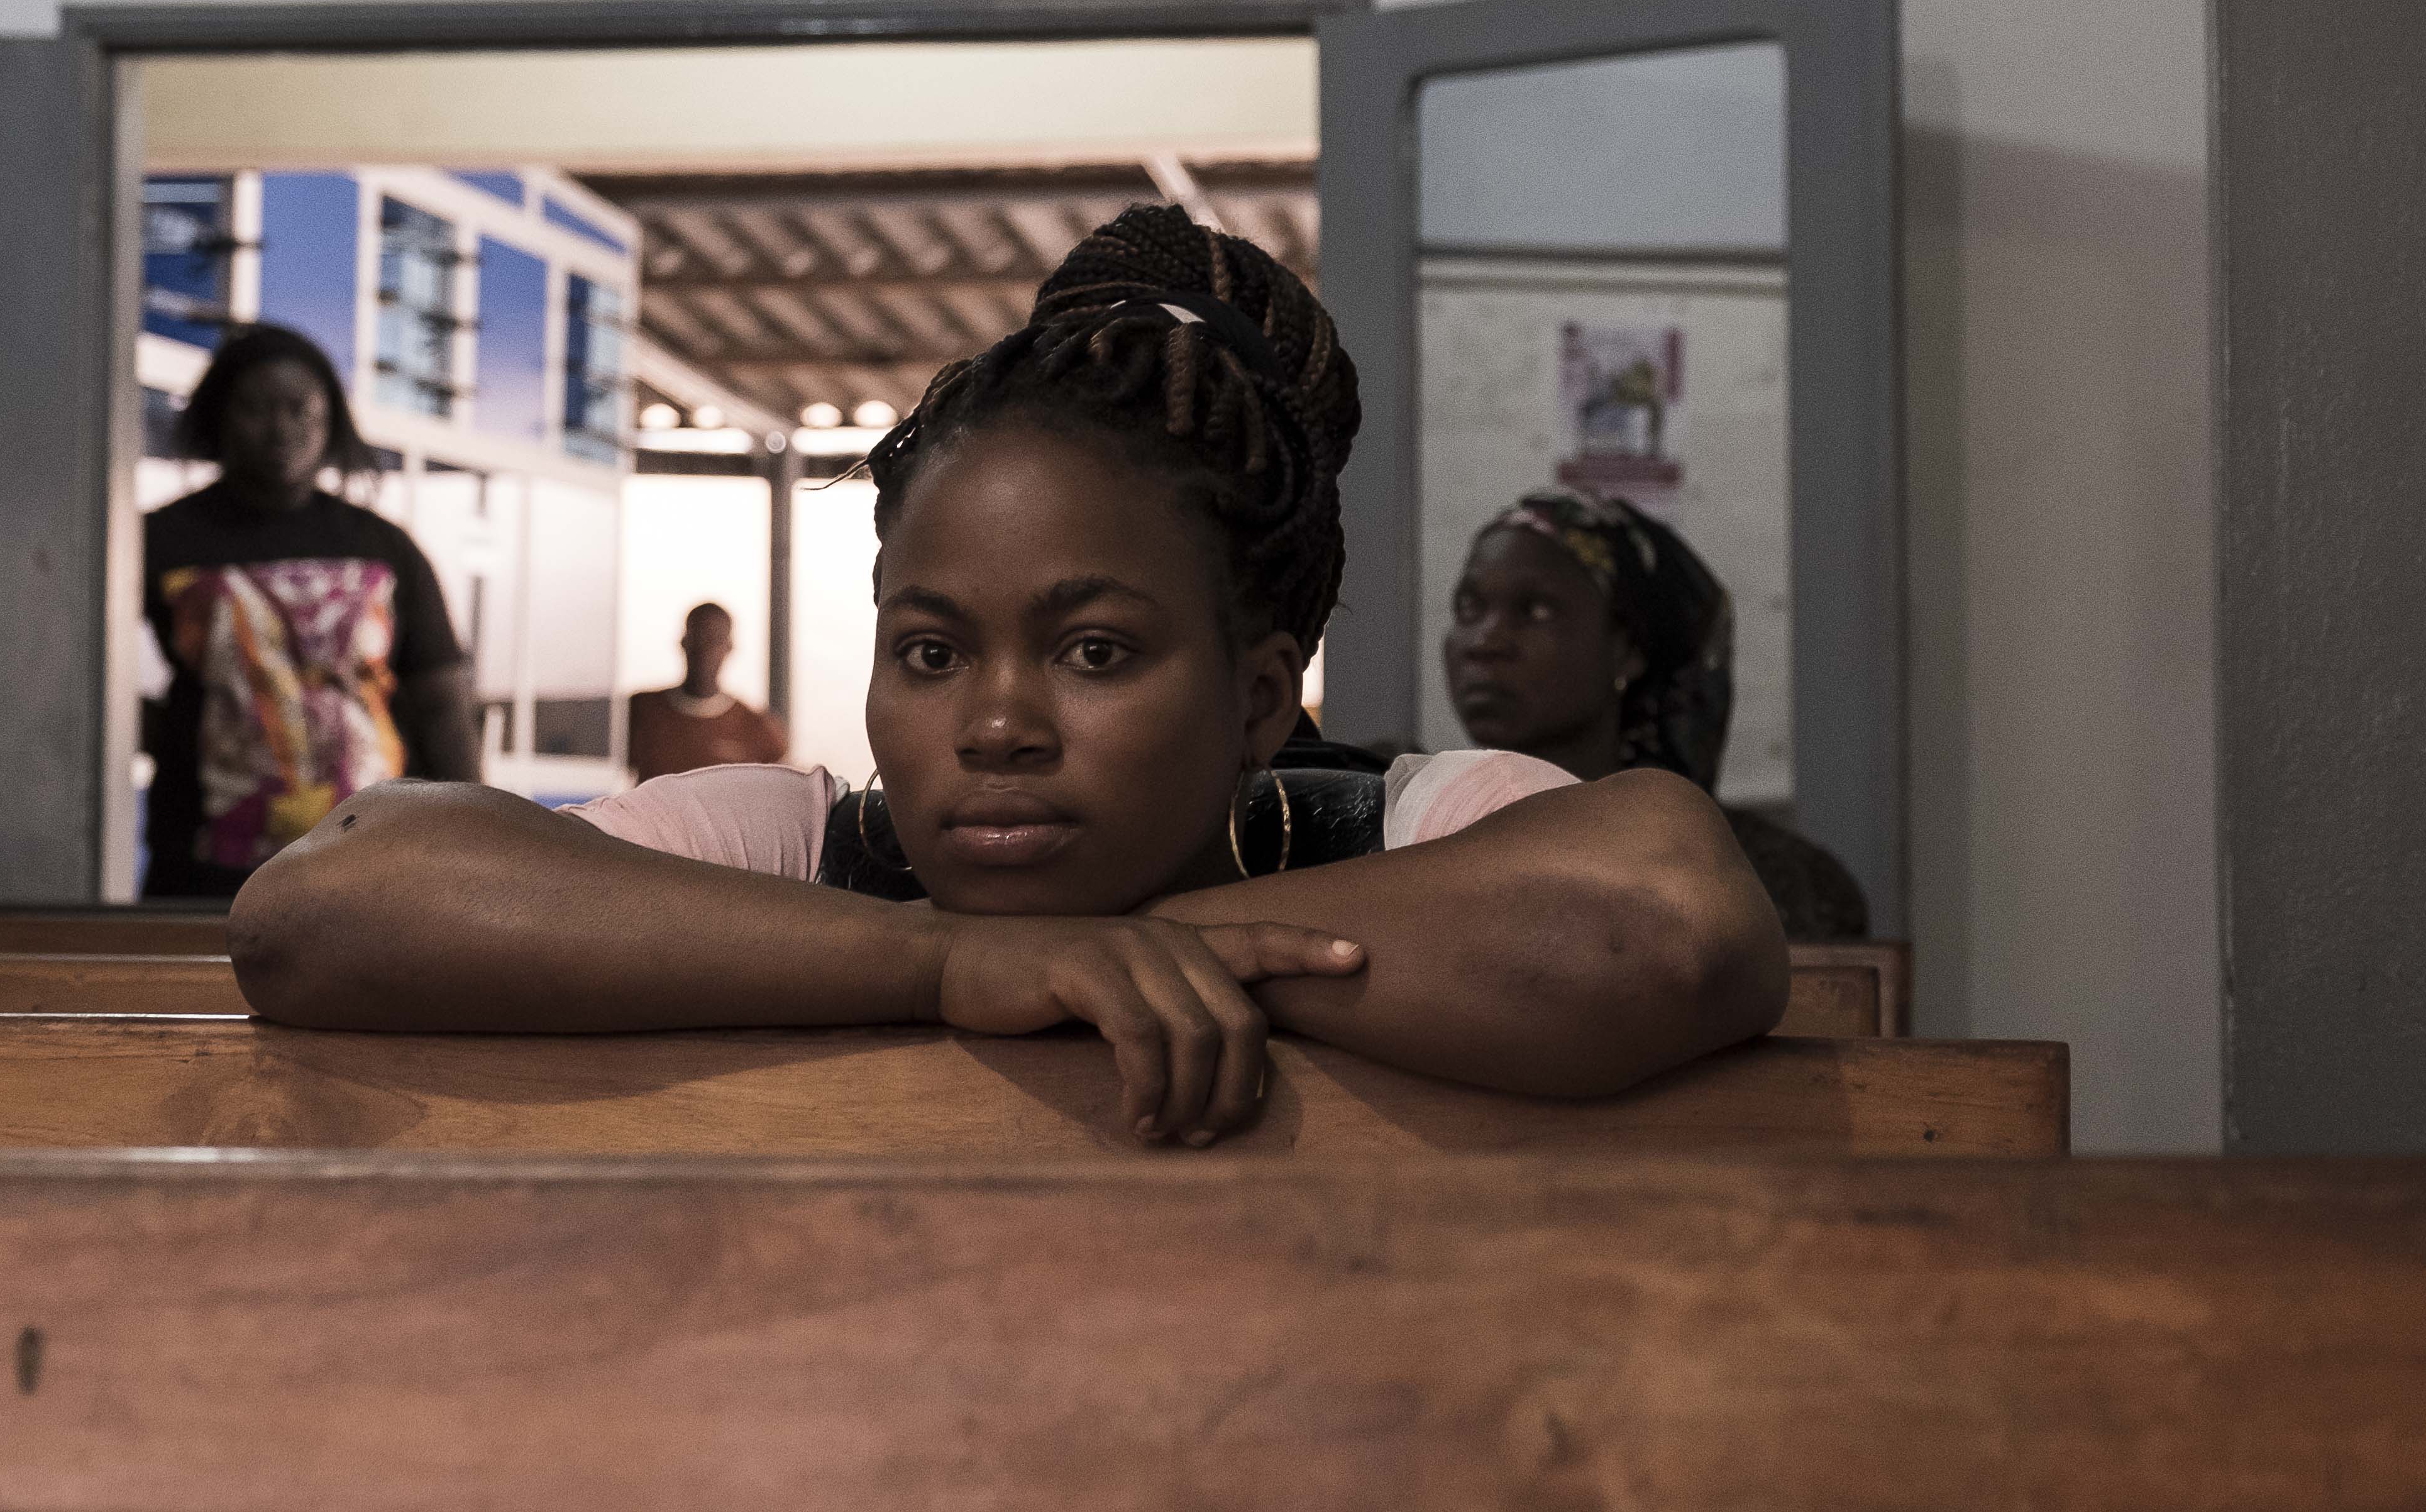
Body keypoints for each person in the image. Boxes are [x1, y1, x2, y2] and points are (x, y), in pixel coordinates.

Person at [231, 207, 1787, 1147]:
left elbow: (1663, 924)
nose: (992, 721)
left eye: (1095, 648)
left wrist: (1119, 942)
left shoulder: (1420, 826)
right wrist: (937, 963)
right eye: (928, 648)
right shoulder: (805, 847)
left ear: (1259, 697)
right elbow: (329, 906)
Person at [1443, 488, 1871, 941]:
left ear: (1627, 648)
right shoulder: (1410, 839)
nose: (1484, 641)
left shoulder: (1769, 887)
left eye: (1535, 610)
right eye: (1469, 607)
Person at [143, 324, 478, 898]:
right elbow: (80, 671)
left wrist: (476, 838)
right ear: (219, 415)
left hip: (374, 863)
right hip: (206, 863)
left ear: (331, 417)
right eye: (255, 408)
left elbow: (441, 702)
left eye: (299, 407)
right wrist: (161, 728)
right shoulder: (162, 539)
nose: (280, 428)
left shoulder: (384, 547)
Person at [624, 602, 788, 781]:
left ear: (729, 647)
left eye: (714, 639)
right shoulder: (639, 710)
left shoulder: (759, 729)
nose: (705, 649)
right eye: (698, 637)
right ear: (684, 642)